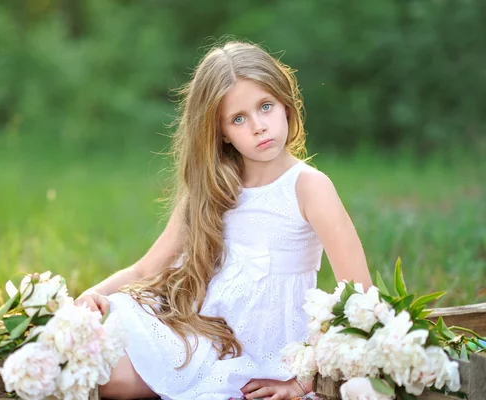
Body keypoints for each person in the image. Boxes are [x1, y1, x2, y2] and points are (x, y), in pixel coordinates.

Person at [75, 40, 372, 400]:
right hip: (204, 337)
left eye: (265, 107)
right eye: (239, 119)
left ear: (286, 105)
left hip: (268, 353)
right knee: (98, 365)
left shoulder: (309, 187)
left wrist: (303, 380)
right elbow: (143, 271)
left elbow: (360, 297)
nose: (259, 126)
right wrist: (91, 295)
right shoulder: (214, 190)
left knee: (112, 377)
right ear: (222, 133)